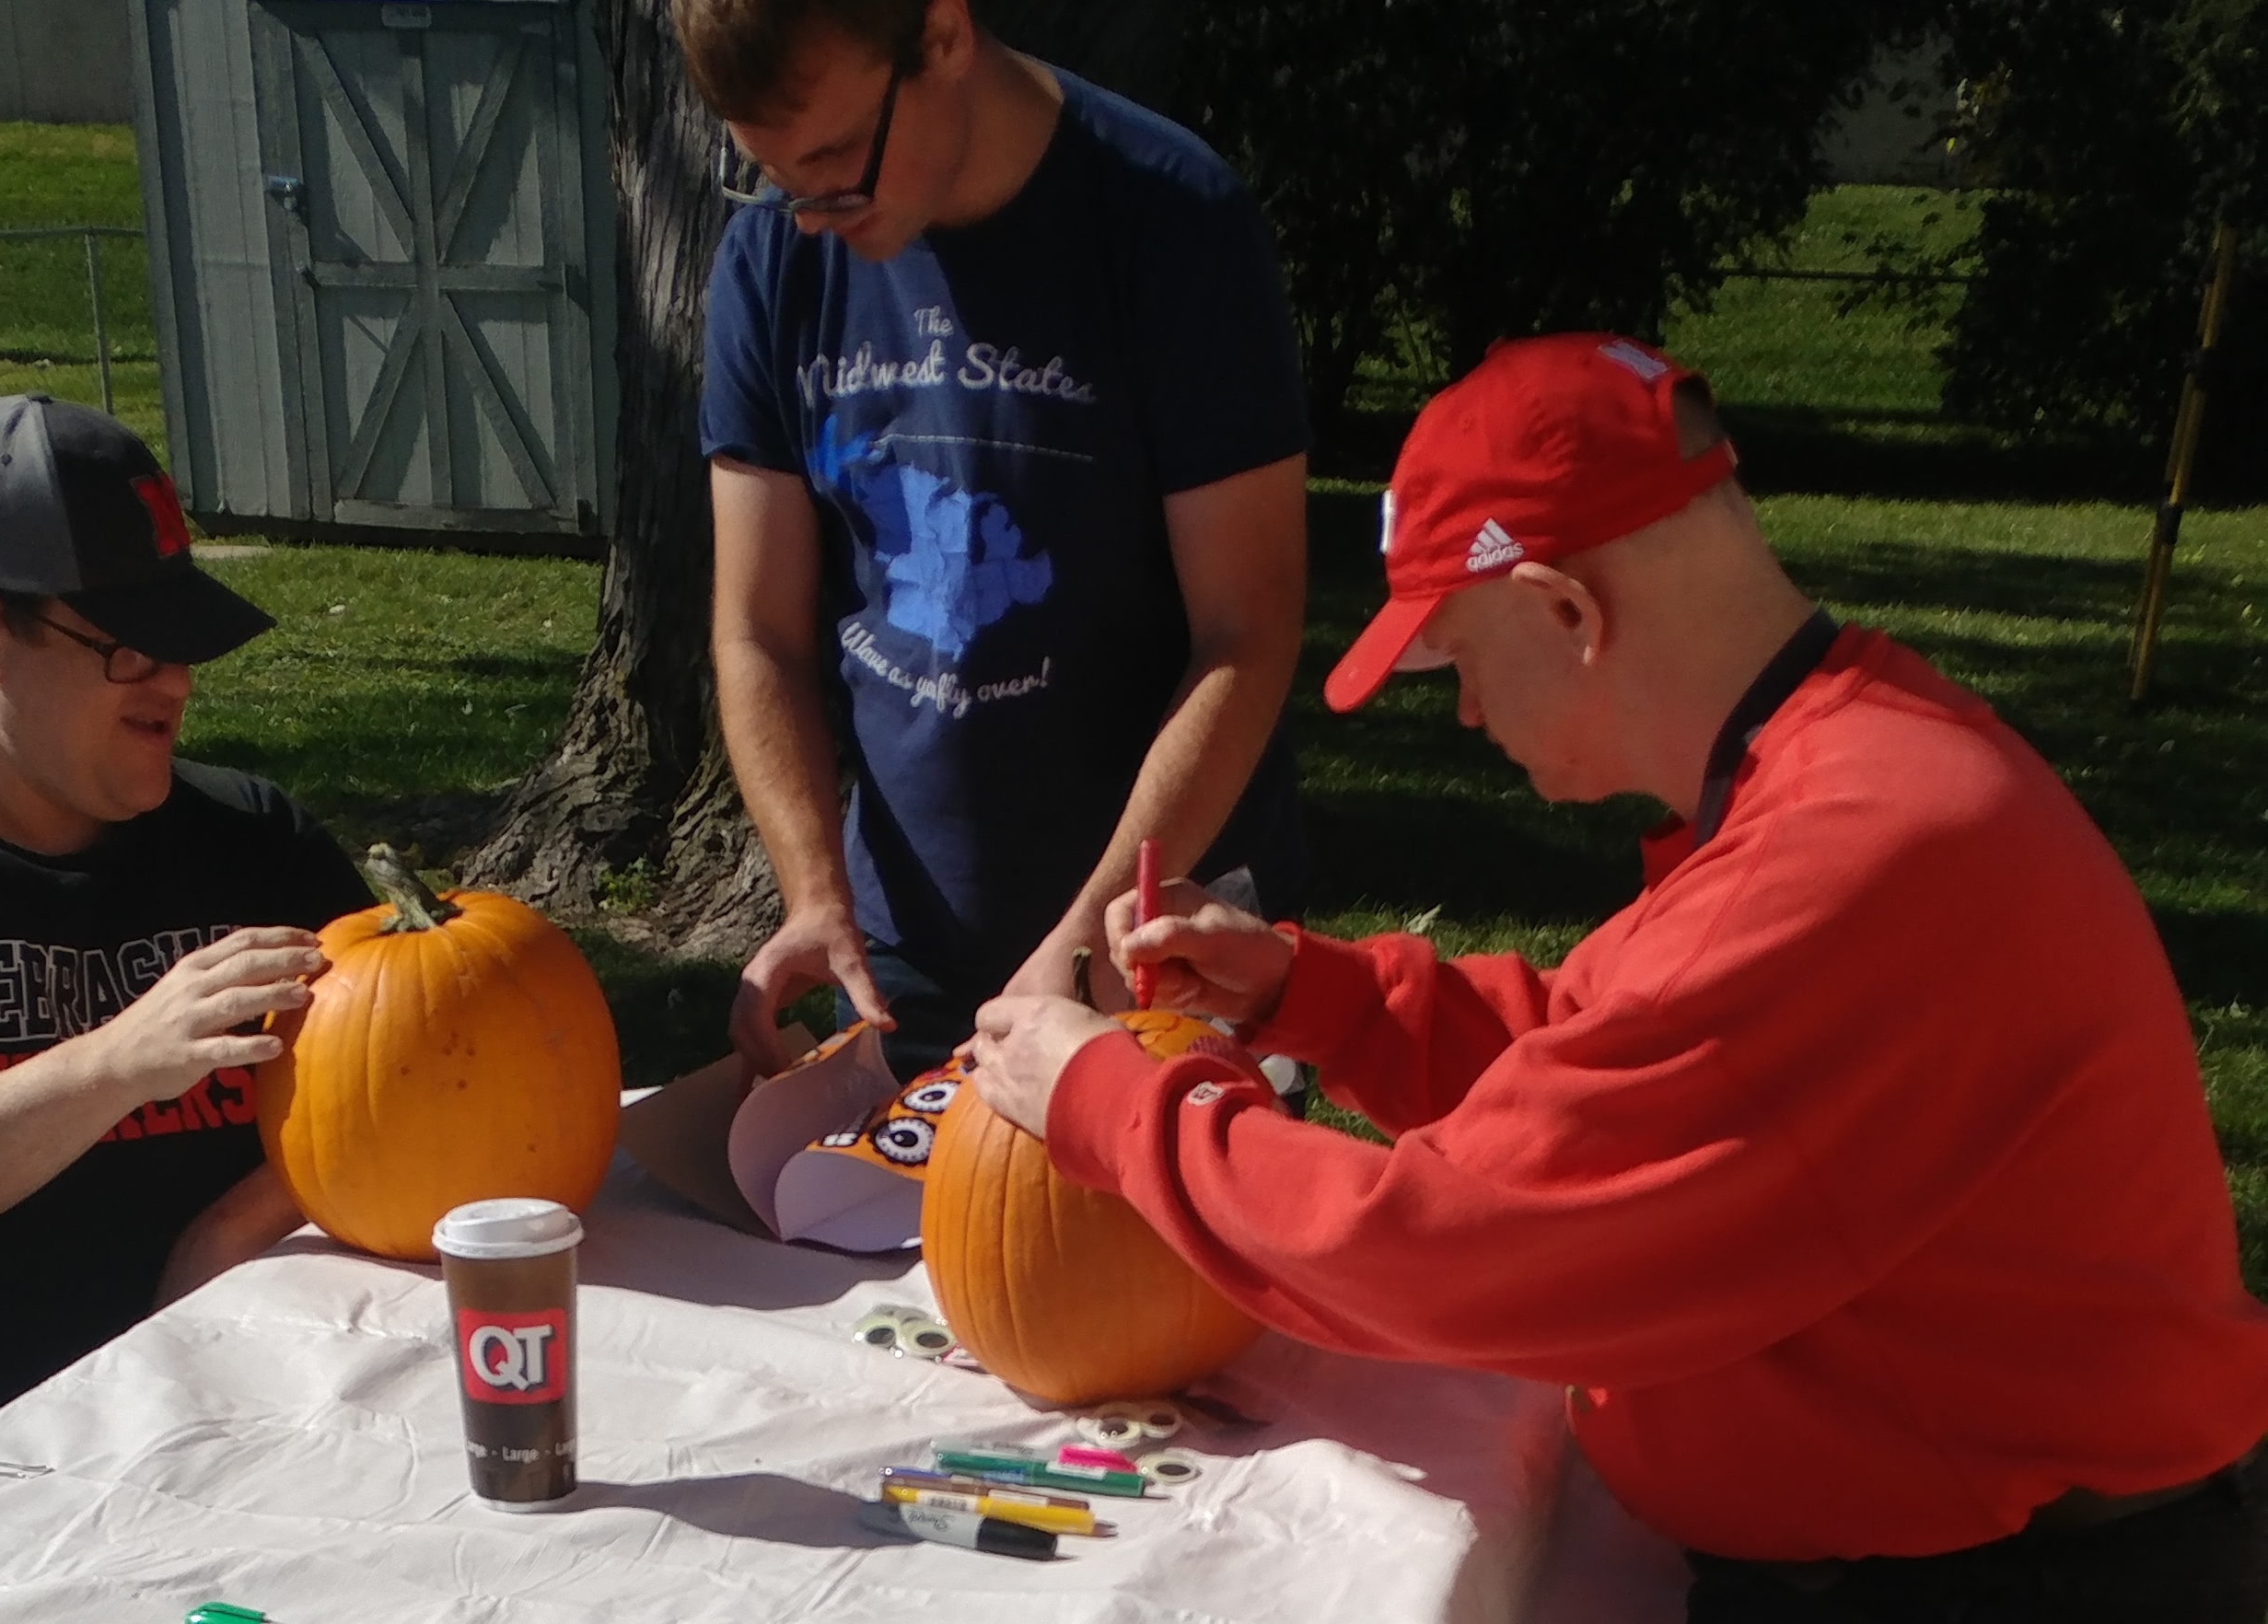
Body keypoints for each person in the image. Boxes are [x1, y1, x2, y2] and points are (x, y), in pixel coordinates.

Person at [966, 333, 2268, 1621]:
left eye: (1459, 661)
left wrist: (1105, 1099)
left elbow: (1453, 1250)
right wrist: (1310, 993)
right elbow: (1617, 1062)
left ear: (1565, 610)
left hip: (2025, 1586)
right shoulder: (1839, 767)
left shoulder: (1853, 853)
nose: (1468, 713)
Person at [679, 0, 1311, 1079]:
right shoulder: (770, 255)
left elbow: (1249, 628)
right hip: (904, 949)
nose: (809, 217)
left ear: (945, 35)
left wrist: (1092, 934)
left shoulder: (1174, 225)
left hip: (1158, 936)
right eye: (771, 176)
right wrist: (814, 890)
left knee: (1135, 1265)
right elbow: (758, 630)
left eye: (830, 165)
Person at [0, 395, 374, 1493]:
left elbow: (399, 1085)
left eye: (185, 643)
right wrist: (120, 1059)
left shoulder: (256, 841)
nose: (175, 684)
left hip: (259, 1421)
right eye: (131, 648)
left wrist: (230, 1234)